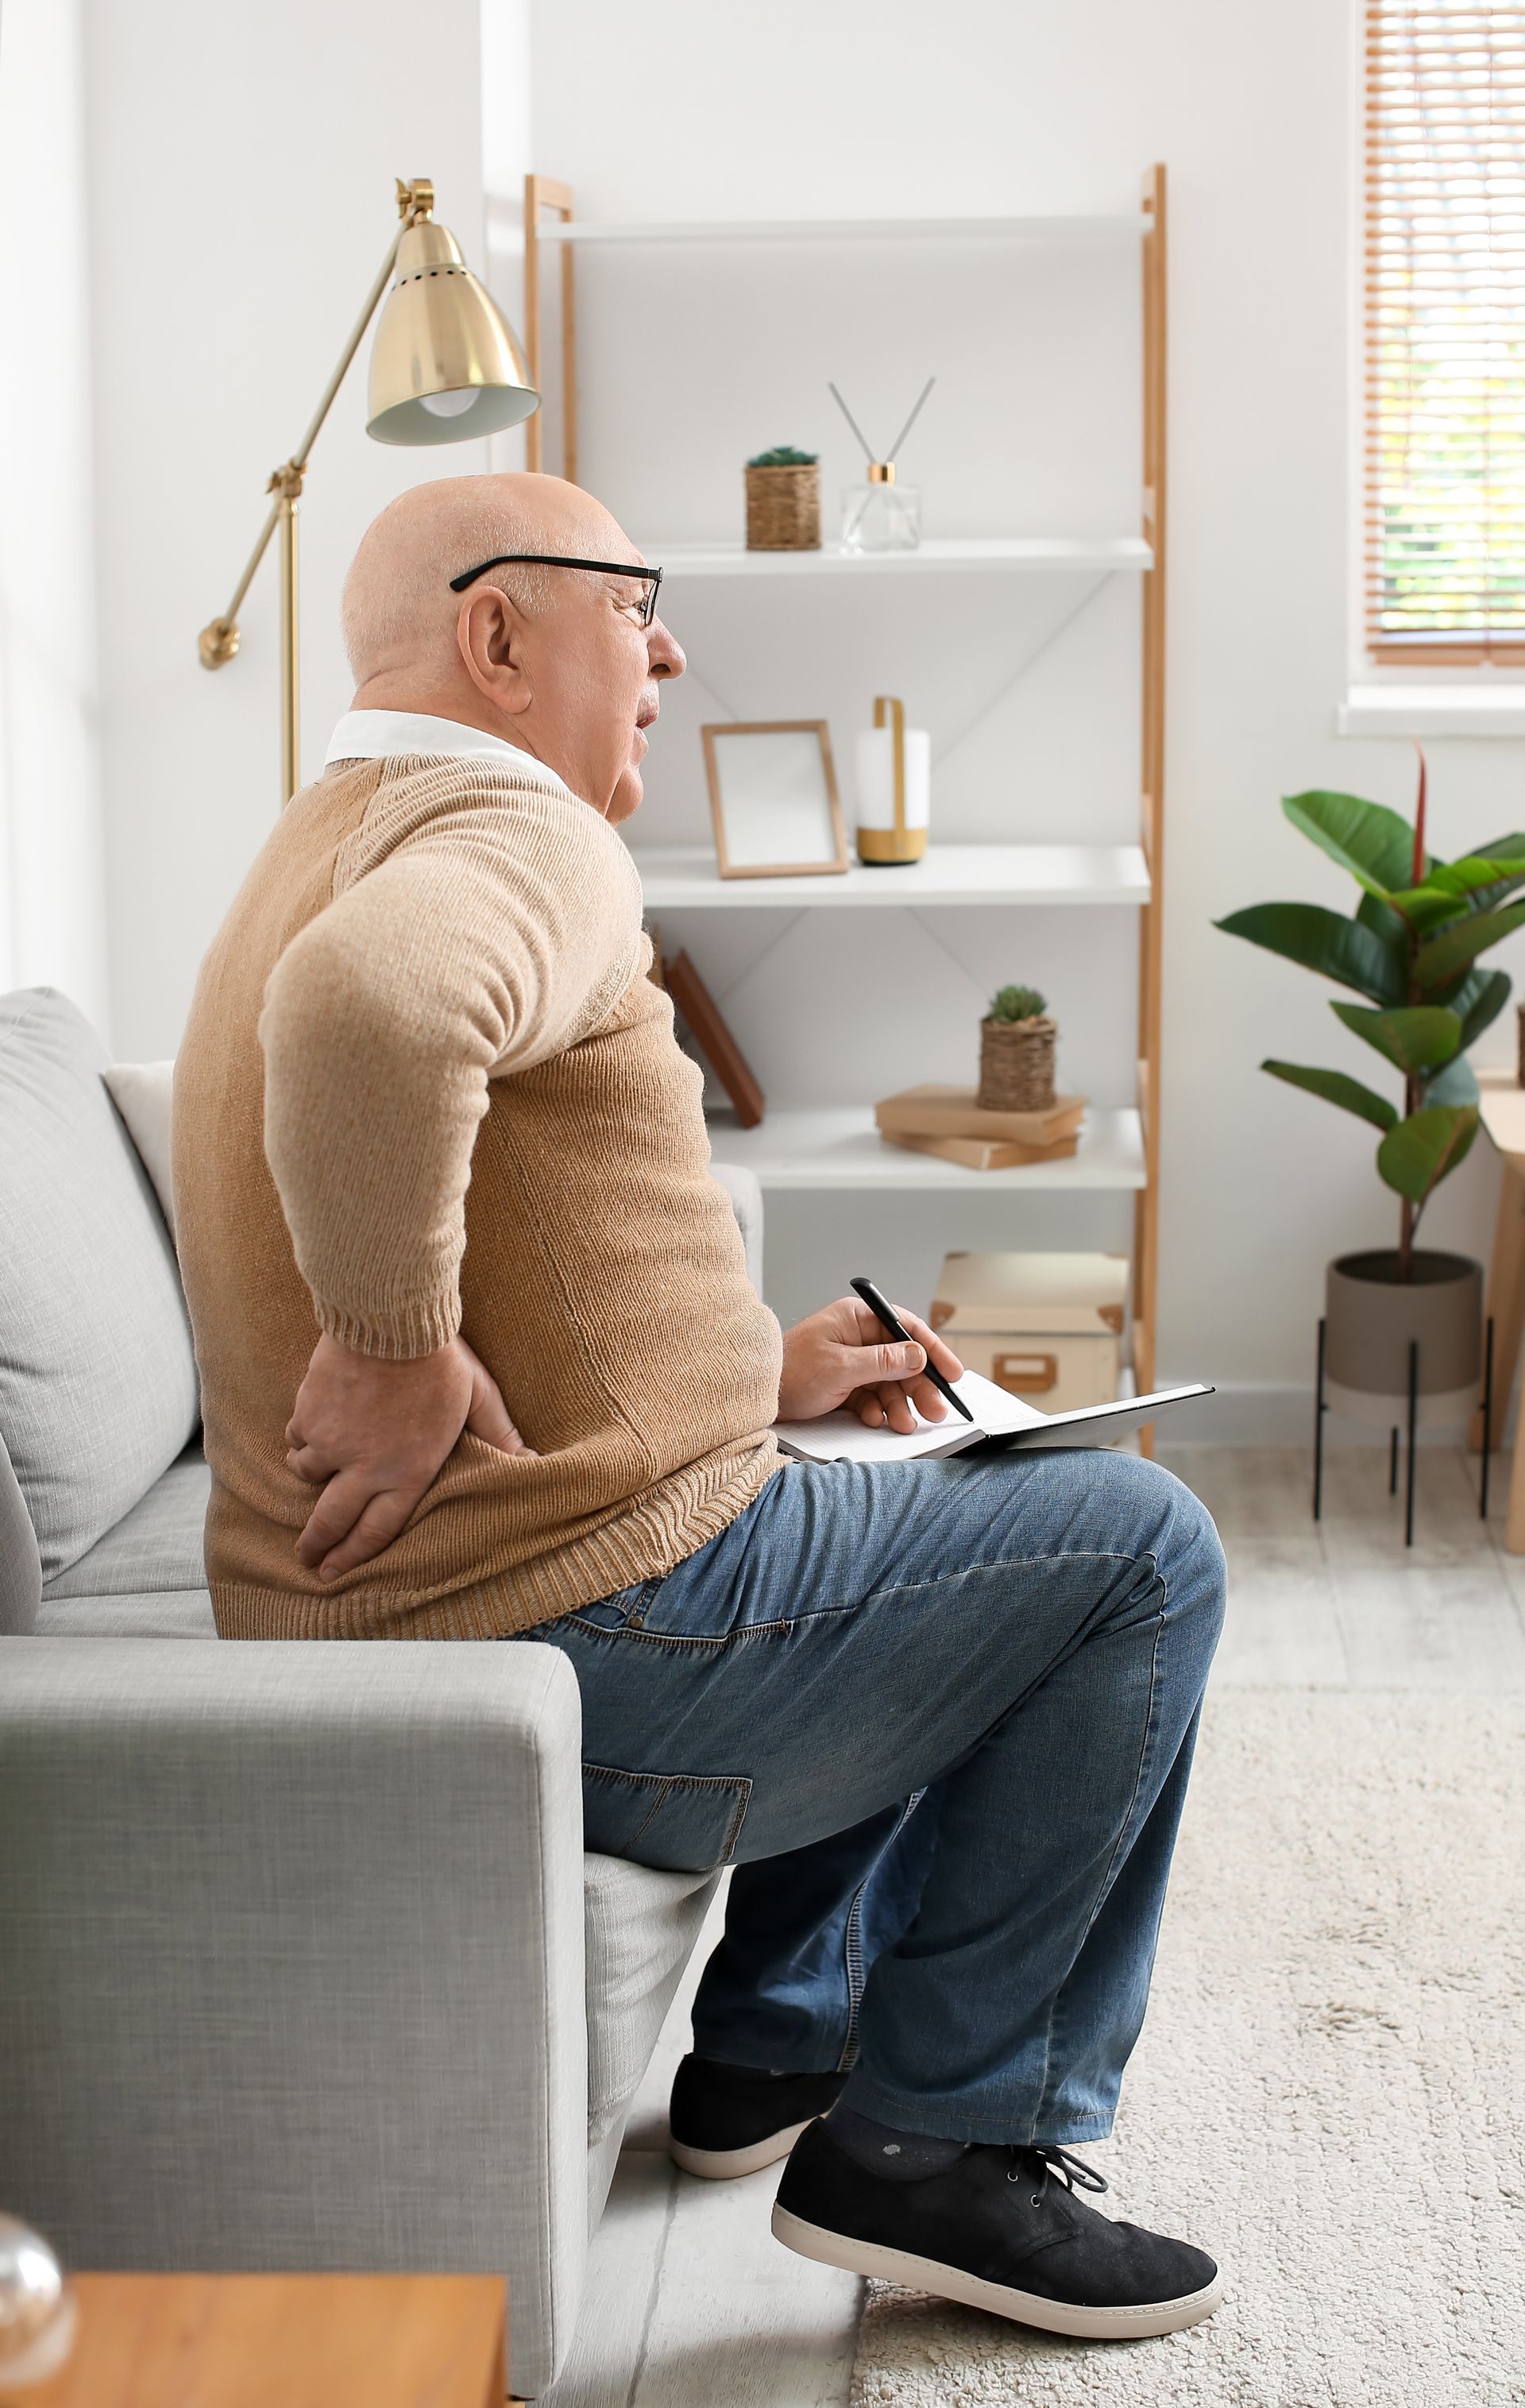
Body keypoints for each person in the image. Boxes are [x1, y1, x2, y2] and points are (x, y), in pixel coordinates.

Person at [173, 471, 1228, 2344]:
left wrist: (756, 1365)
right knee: (1143, 1547)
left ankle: (767, 2049)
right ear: (499, 638)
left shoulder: (328, 830)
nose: (669, 650)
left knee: (881, 1477)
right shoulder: (521, 833)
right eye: (632, 603)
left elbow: (484, 1159)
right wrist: (396, 1342)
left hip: (487, 1607)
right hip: (587, 1629)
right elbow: (371, 1016)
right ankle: (939, 2150)